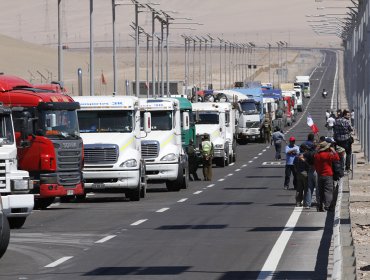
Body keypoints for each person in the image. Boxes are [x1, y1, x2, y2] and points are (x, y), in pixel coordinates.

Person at [314, 140, 340, 212]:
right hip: (328, 174)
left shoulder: (317, 155)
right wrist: (333, 150)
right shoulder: (328, 154)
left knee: (321, 191)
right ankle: (327, 206)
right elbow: (337, 158)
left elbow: (315, 165)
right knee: (328, 191)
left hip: (320, 175)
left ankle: (320, 205)